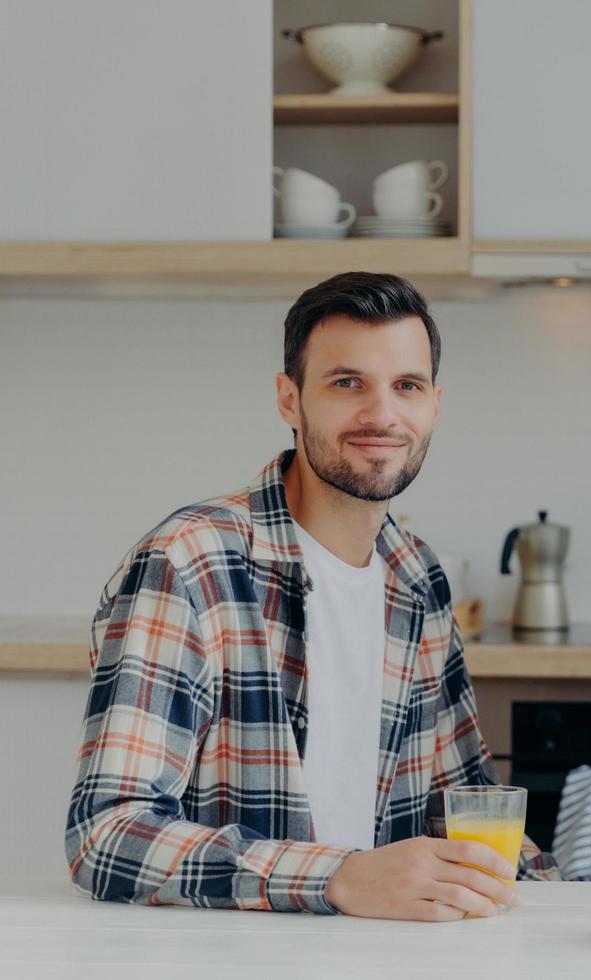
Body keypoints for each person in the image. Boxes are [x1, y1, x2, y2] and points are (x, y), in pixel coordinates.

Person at [65, 272, 553, 920]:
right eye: (347, 383)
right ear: (289, 399)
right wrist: (340, 877)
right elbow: (106, 834)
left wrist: (586, 900)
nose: (381, 414)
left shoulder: (418, 577)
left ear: (433, 404)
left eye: (405, 386)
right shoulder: (191, 562)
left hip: (389, 955)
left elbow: (464, 809)